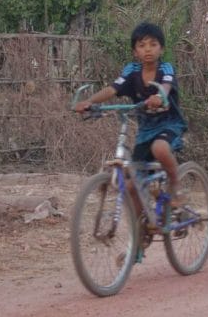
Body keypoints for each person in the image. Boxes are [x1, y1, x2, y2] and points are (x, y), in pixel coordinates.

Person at [74, 22, 187, 205]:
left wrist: (159, 96)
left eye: (153, 44)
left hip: (169, 124)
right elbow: (112, 89)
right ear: (135, 51)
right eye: (141, 46)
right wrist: (90, 102)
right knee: (131, 187)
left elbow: (166, 86)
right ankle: (141, 230)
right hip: (145, 131)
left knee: (159, 148)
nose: (147, 50)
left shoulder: (165, 68)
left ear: (162, 48)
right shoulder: (131, 70)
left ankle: (175, 186)